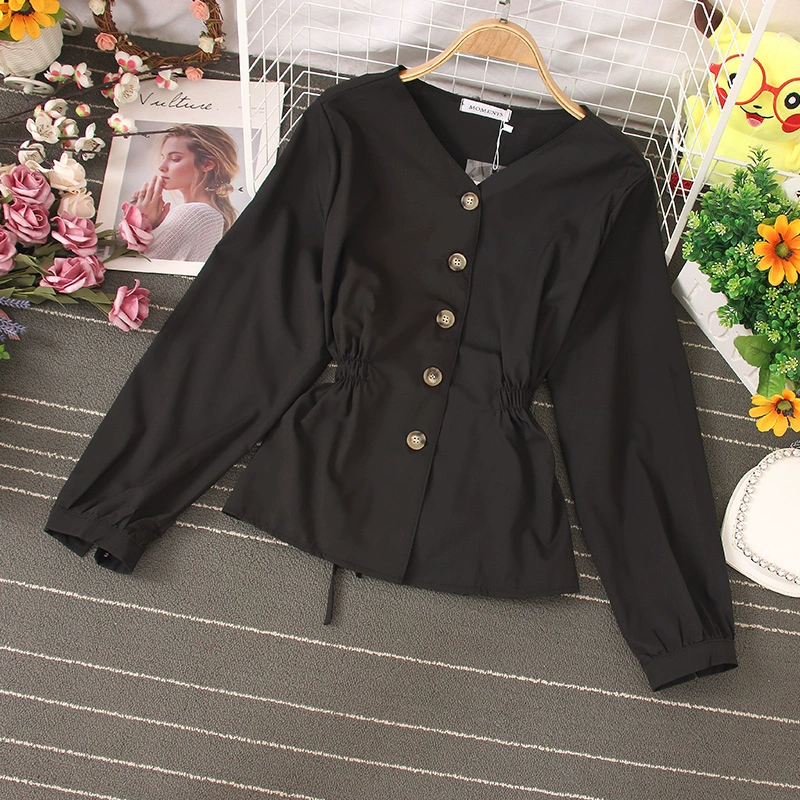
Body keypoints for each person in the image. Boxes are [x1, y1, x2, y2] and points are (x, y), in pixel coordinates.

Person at [128, 125, 240, 262]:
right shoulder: (210, 215)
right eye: (163, 157)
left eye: (175, 158)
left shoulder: (193, 214)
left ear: (207, 164)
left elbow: (135, 264)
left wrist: (137, 224)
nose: (161, 167)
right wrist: (153, 227)